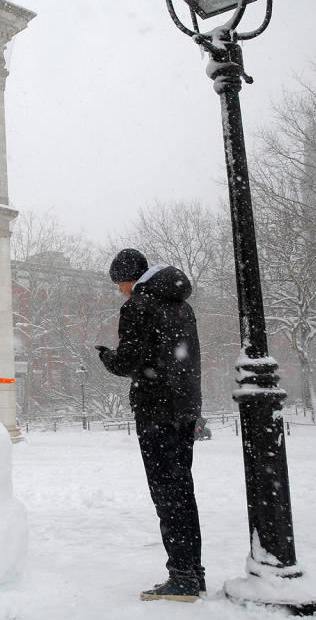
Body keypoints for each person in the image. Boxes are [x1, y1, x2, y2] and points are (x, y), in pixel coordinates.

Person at [96, 248, 204, 602]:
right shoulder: (181, 305)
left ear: (129, 278)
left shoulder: (139, 305)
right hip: (184, 409)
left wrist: (107, 357)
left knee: (167, 494)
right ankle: (193, 572)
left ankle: (183, 578)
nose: (120, 291)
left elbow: (129, 360)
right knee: (182, 491)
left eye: (119, 284)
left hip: (157, 410)